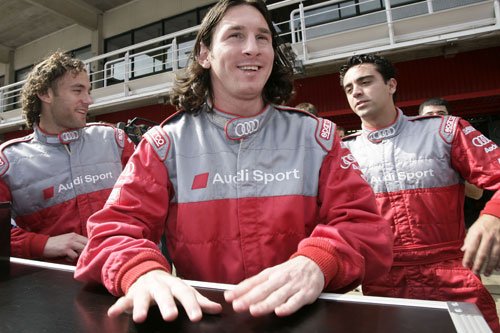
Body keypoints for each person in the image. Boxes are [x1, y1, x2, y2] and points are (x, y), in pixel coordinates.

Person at [75, 0, 393, 324]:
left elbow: (366, 227)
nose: (252, 49)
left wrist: (320, 260)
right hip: (206, 321)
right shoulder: (164, 144)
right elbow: (112, 232)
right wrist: (140, 271)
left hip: (300, 320)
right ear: (204, 54)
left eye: (263, 38)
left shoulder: (317, 137)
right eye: (235, 36)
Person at [339, 53, 500, 331]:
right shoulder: (343, 152)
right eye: (349, 88)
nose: (357, 92)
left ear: (391, 85)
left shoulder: (446, 130)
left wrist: (493, 216)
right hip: (382, 281)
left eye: (365, 81)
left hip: (451, 275)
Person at [0, 52, 135, 263]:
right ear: (45, 93)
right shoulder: (8, 163)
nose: (89, 100)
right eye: (77, 90)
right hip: (50, 287)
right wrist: (42, 244)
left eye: (88, 91)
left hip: (124, 272)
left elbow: (149, 208)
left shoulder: (114, 140)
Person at [419, 97, 483, 200]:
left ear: (450, 118)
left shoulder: (462, 145)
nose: (436, 117)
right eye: (429, 114)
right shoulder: (408, 144)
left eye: (441, 113)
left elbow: (477, 193)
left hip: (448, 211)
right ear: (419, 118)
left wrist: (444, 170)